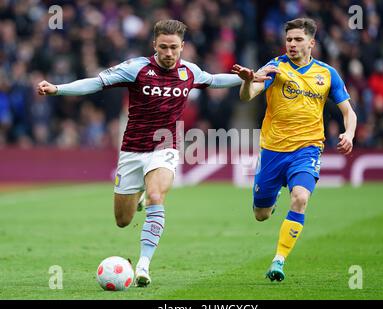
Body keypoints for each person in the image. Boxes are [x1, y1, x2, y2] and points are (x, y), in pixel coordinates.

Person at [37, 19, 247, 287]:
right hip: (132, 151)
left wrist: (245, 77)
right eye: (163, 47)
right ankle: (139, 195)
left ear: (183, 46)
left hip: (165, 146)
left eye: (174, 47)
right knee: (123, 221)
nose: (169, 54)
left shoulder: (190, 72)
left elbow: (215, 79)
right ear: (154, 45)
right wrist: (58, 89)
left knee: (157, 195)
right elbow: (96, 82)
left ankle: (143, 265)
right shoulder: (136, 68)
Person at [232, 18, 357, 282]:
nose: (292, 44)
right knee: (261, 215)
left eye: (298, 39)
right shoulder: (274, 67)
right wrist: (246, 81)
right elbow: (248, 95)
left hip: (307, 149)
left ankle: (278, 261)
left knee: (300, 197)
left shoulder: (327, 74)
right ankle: (272, 195)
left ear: (311, 43)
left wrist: (349, 132)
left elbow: (348, 111)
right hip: (272, 150)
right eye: (289, 39)